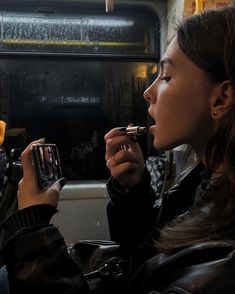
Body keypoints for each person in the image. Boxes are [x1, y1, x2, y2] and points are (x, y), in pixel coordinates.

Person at [1, 4, 235, 293]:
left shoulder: (222, 268)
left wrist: (32, 231)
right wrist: (132, 192)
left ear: (221, 99)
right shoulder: (206, 180)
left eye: (166, 77)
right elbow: (149, 256)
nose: (148, 92)